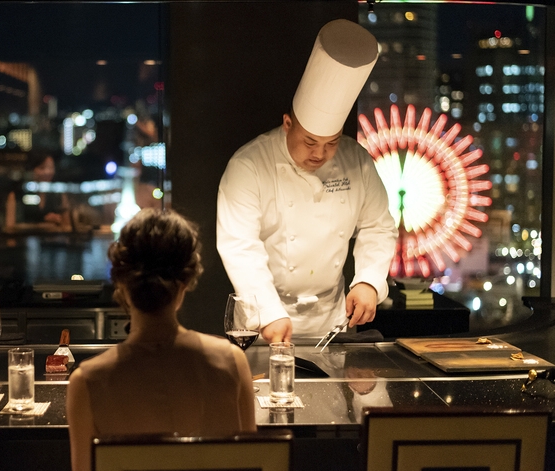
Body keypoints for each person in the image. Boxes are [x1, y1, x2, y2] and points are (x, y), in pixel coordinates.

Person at [216, 19, 397, 343]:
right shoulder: (249, 165)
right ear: (288, 123)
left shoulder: (356, 161)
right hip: (264, 321)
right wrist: (270, 313)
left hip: (334, 321)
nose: (320, 153)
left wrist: (369, 280)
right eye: (310, 141)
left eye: (331, 142)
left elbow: (378, 226)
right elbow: (239, 245)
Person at [67, 208, 257, 471]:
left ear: (122, 284)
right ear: (185, 282)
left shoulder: (86, 382)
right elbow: (253, 463)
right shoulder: (231, 362)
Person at [5, 151, 70, 230]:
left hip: (53, 241)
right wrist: (43, 223)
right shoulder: (17, 194)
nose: (47, 172)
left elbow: (67, 226)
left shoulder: (58, 194)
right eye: (42, 168)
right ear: (31, 169)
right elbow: (10, 227)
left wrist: (58, 220)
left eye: (51, 168)